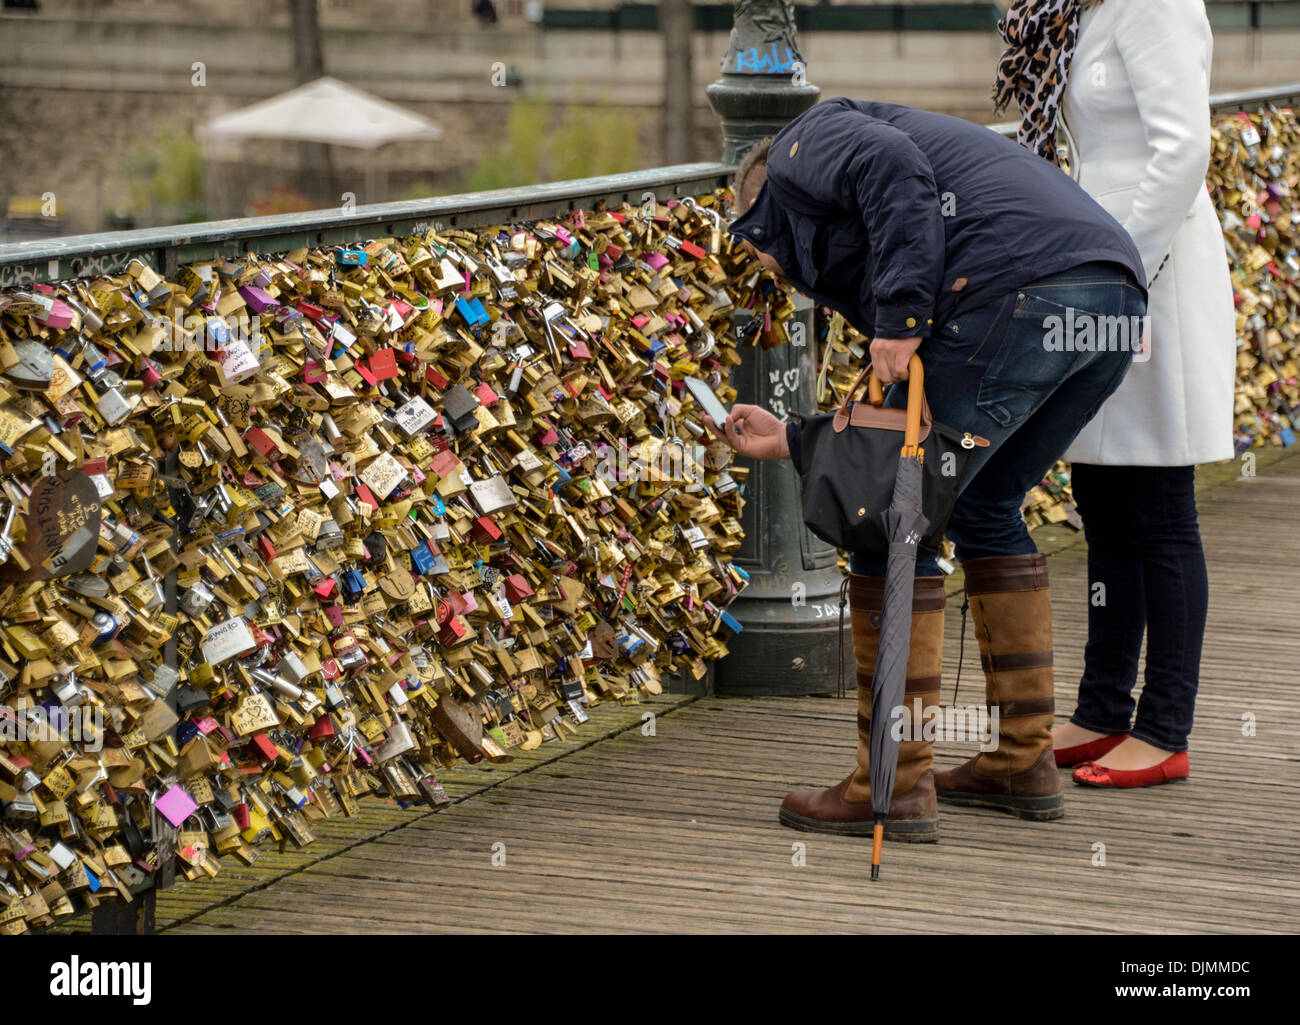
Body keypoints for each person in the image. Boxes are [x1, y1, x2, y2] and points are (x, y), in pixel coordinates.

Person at [709, 96, 1147, 840]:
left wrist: (902, 318)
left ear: (766, 205)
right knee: (987, 505)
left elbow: (893, 170)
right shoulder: (894, 199)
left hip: (1019, 292)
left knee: (888, 525)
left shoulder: (798, 147)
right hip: (1107, 301)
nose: (771, 269)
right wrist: (793, 435)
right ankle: (1022, 760)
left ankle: (895, 781)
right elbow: (896, 432)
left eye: (756, 247)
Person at [993, 0, 1235, 788]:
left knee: (1160, 503)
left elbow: (1183, 148)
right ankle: (1103, 708)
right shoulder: (1078, 12)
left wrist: (1117, 267)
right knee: (1102, 493)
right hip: (1096, 274)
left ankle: (1165, 726)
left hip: (1147, 273)